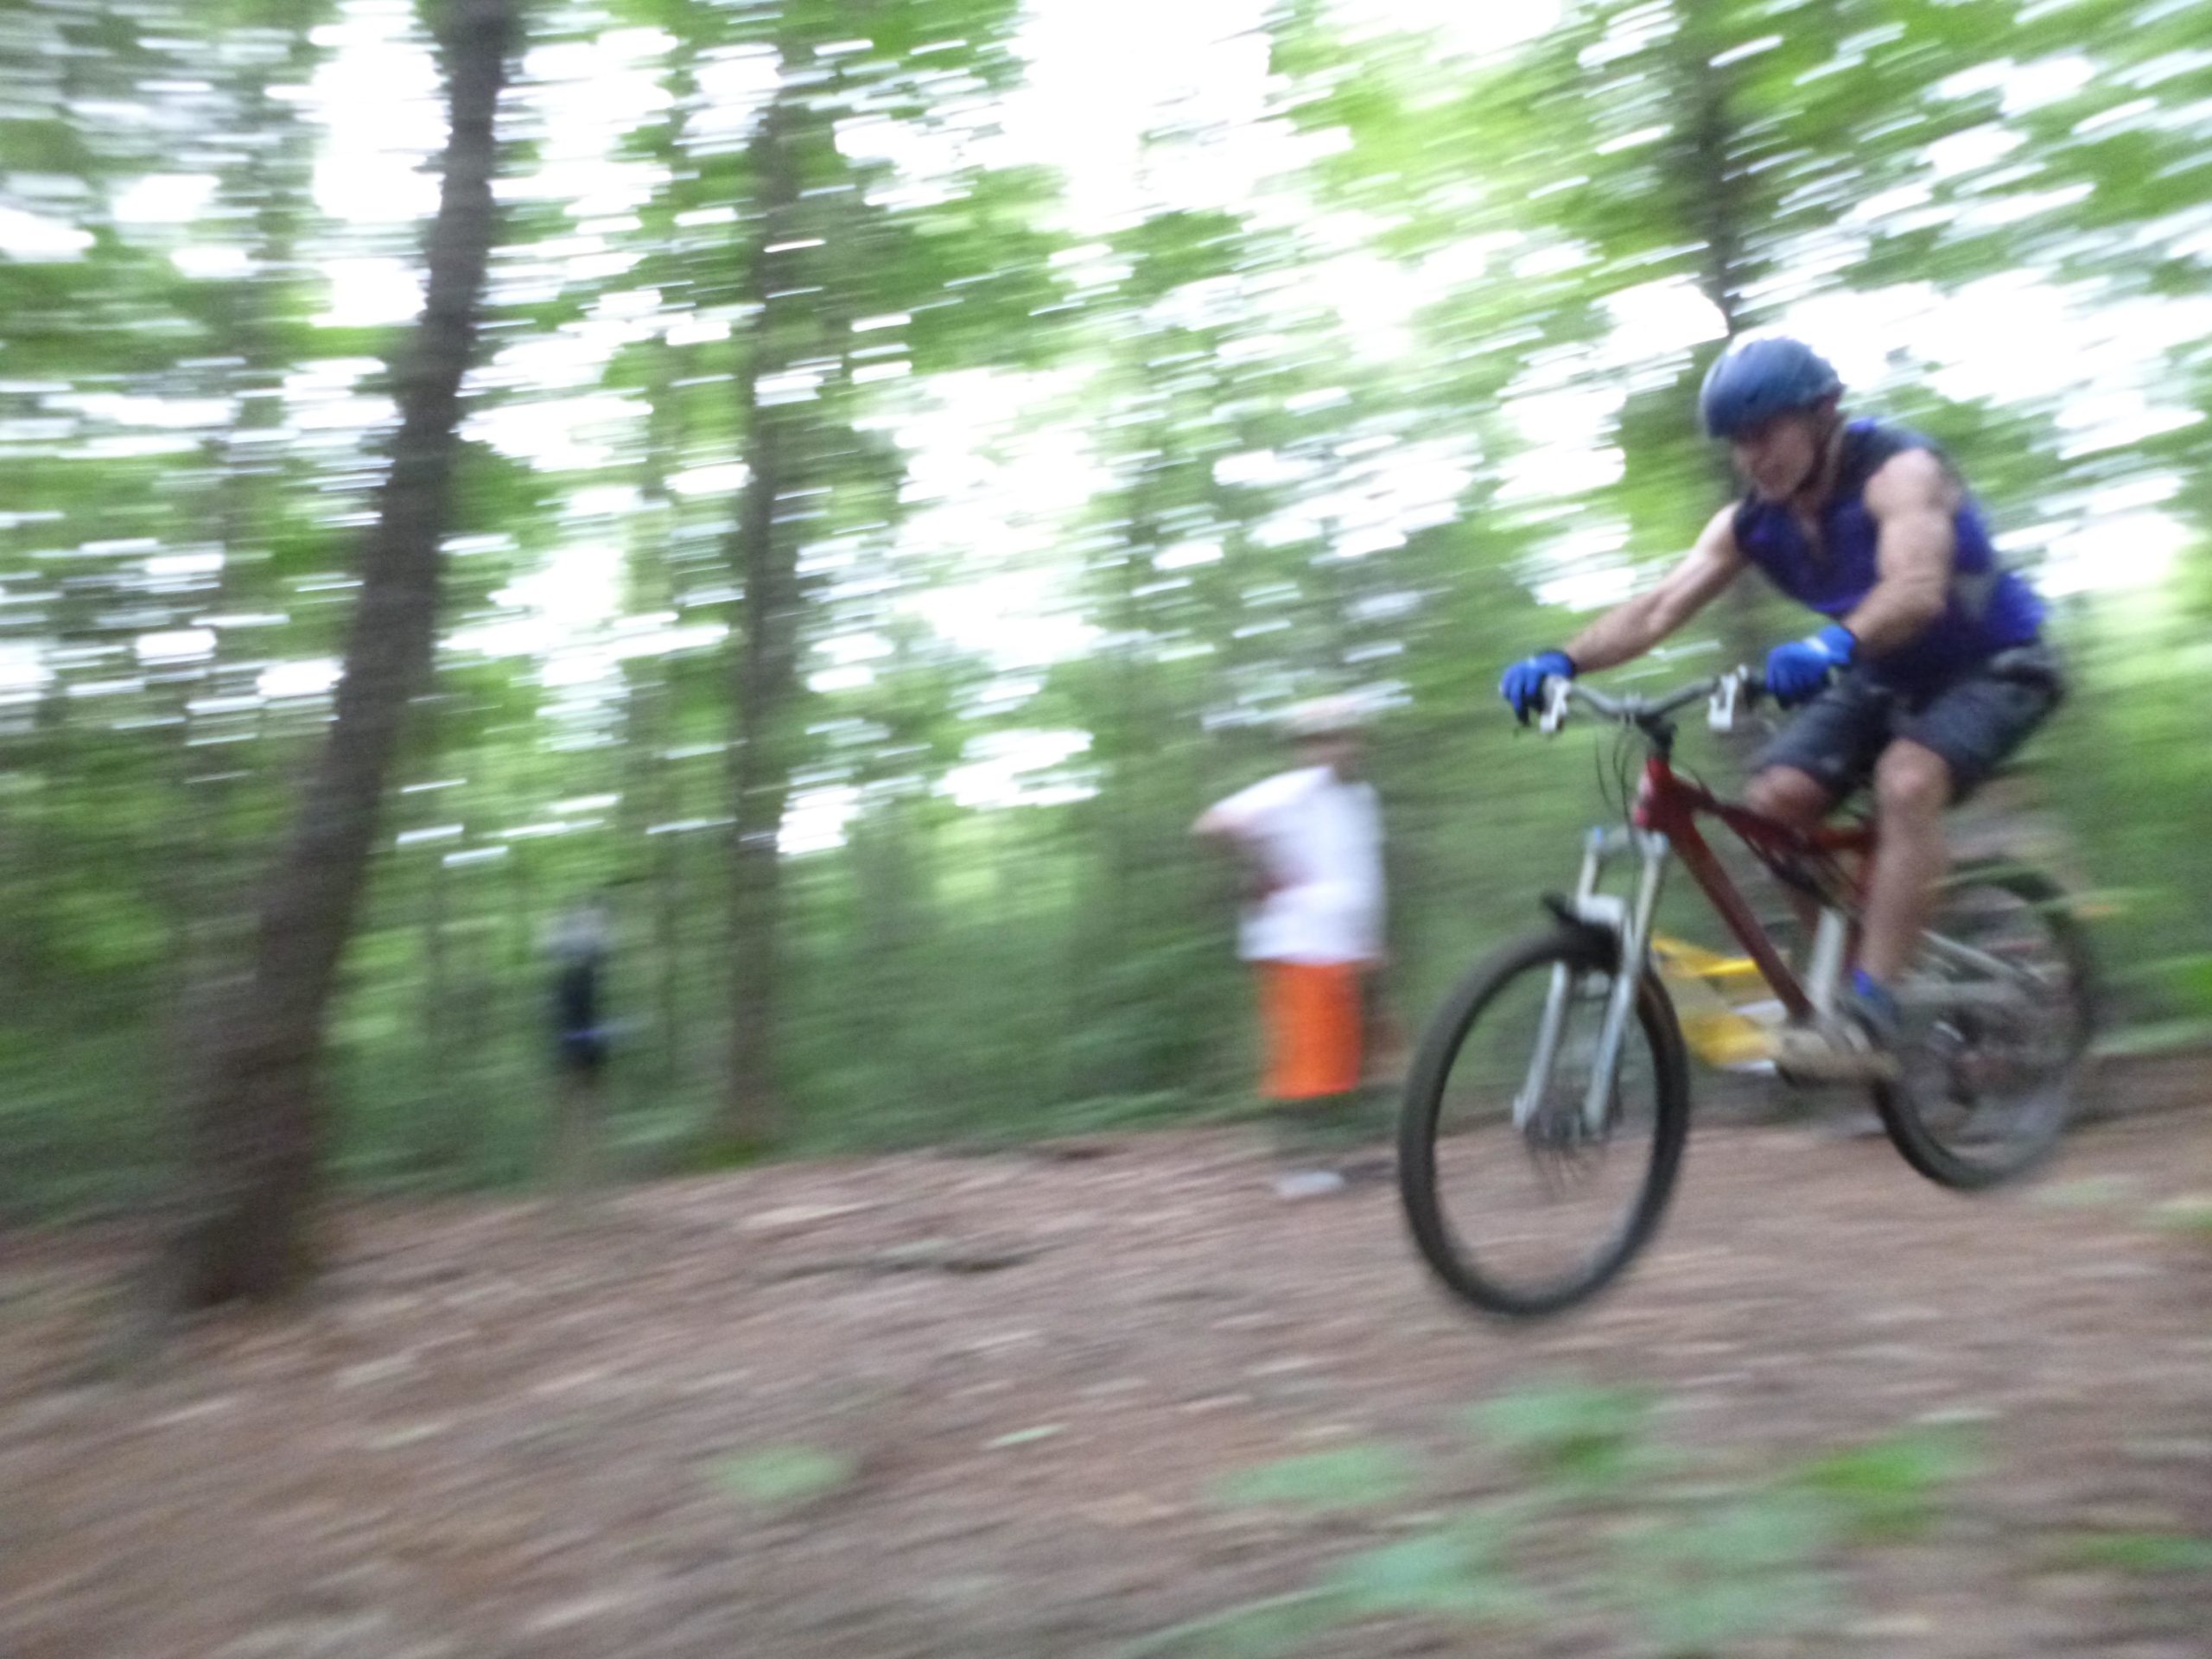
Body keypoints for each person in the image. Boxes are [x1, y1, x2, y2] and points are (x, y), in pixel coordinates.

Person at [1498, 335, 2062, 1081]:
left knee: (1907, 782)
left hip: (1997, 664)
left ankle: (1874, 1005)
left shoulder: (1900, 472)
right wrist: (1563, 660)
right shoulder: (1752, 522)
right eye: (1738, 442)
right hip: (1884, 671)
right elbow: (1660, 607)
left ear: (1824, 413)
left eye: (1765, 434)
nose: (1752, 457)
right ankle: (1845, 985)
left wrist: (1831, 647)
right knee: (1773, 807)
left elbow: (1918, 587)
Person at [1193, 696, 1388, 1188]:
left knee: (1343, 1061)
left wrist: (1372, 943)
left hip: (1345, 949)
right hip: (1298, 944)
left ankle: (1332, 1161)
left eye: (1341, 736)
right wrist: (1266, 872)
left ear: (1357, 741)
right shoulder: (1288, 791)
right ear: (1302, 747)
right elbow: (1215, 823)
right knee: (1304, 1060)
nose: (1332, 748)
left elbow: (1362, 876)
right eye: (1319, 739)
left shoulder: (1358, 801)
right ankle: (1296, 1169)